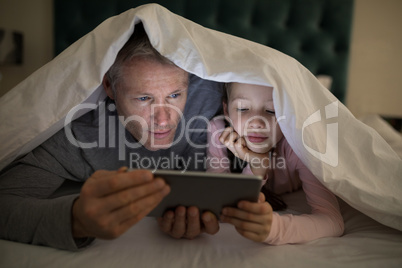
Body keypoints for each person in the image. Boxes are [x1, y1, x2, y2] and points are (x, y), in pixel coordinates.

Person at [0, 23, 222, 251]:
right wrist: (76, 220)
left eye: (175, 95)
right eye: (144, 98)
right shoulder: (80, 136)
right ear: (109, 86)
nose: (164, 120)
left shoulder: (213, 97)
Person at [207, 82, 344, 244]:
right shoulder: (219, 131)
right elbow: (219, 203)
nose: (257, 122)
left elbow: (332, 221)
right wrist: (257, 166)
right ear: (226, 110)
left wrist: (275, 228)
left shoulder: (299, 145)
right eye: (243, 109)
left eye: (272, 110)